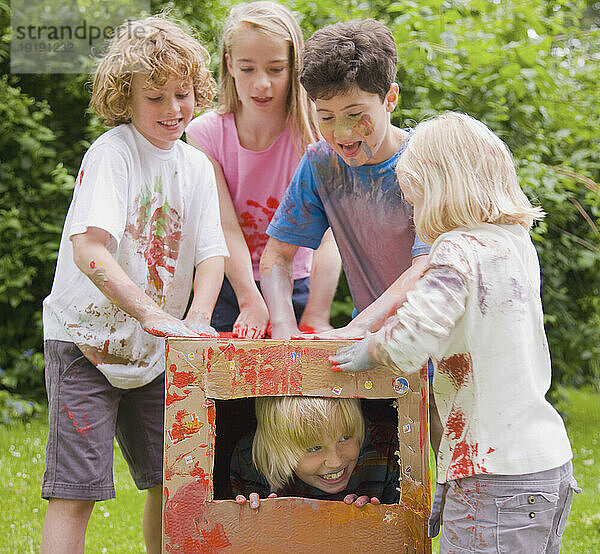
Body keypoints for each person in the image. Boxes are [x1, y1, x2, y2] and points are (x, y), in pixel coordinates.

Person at [330, 112, 580, 553]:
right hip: (545, 465)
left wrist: (371, 349)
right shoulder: (515, 243)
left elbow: (413, 337)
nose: (413, 211)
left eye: (414, 199)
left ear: (437, 188)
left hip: (494, 475)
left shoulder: (456, 251)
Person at [40, 16, 229, 554]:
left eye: (183, 93)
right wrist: (150, 312)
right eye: (156, 97)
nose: (173, 109)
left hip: (156, 352)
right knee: (75, 492)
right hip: (85, 343)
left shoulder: (196, 166)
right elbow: (89, 248)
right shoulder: (112, 153)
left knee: (174, 484)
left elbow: (212, 256)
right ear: (125, 99)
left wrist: (195, 321)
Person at [258, 18, 441, 451]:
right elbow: (277, 258)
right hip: (382, 352)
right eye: (326, 117)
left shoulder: (425, 164)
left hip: (449, 344)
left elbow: (426, 267)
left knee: (457, 474)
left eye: (356, 116)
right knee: (398, 490)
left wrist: (355, 328)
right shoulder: (321, 164)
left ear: (390, 98)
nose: (341, 133)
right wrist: (285, 335)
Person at [186, 1, 341, 339]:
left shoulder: (315, 133)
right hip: (229, 286)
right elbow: (223, 226)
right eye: (247, 69)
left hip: (299, 285)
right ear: (229, 63)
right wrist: (249, 299)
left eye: (275, 69)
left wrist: (317, 311)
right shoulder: (205, 135)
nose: (261, 85)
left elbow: (330, 232)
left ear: (294, 67)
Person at [230, 396, 399, 508]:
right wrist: (255, 517)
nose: (336, 462)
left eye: (345, 438)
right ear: (277, 449)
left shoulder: (385, 446)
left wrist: (373, 521)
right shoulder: (251, 461)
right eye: (314, 448)